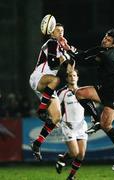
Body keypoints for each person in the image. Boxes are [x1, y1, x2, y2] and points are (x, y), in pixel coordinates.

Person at [70, 28, 114, 171]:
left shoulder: (107, 55)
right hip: (104, 90)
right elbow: (83, 55)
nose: (105, 40)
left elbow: (83, 61)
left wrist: (68, 50)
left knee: (106, 125)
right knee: (80, 93)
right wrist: (68, 47)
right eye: (105, 37)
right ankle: (96, 119)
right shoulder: (102, 50)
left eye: (108, 40)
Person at [29, 22, 74, 160]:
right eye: (57, 30)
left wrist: (68, 51)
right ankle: (41, 111)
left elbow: (70, 66)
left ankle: (37, 144)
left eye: (62, 30)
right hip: (39, 78)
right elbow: (53, 63)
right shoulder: (51, 42)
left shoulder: (61, 47)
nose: (60, 32)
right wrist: (64, 57)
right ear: (51, 32)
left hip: (47, 88)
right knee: (55, 81)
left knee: (56, 118)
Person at [55, 69, 88, 180]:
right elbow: (54, 107)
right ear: (66, 78)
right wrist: (54, 119)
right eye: (70, 76)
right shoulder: (62, 92)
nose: (72, 77)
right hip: (68, 126)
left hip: (81, 125)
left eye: (74, 75)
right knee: (74, 153)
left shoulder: (83, 91)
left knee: (81, 155)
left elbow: (90, 106)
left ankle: (71, 177)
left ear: (77, 77)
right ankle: (62, 159)